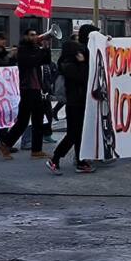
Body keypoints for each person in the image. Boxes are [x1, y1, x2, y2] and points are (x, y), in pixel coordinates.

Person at [48, 24, 100, 175]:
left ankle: (81, 160)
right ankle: (55, 159)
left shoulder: (81, 56)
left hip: (82, 100)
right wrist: (83, 62)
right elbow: (82, 77)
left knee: (79, 133)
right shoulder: (69, 62)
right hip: (74, 101)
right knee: (73, 133)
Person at [0, 29, 53, 160]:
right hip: (27, 89)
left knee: (38, 120)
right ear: (26, 36)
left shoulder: (35, 49)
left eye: (35, 35)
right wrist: (41, 50)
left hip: (36, 88)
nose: (35, 37)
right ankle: (5, 143)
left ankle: (36, 150)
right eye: (32, 35)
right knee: (23, 121)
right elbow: (32, 62)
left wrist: (46, 48)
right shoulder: (22, 50)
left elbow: (46, 61)